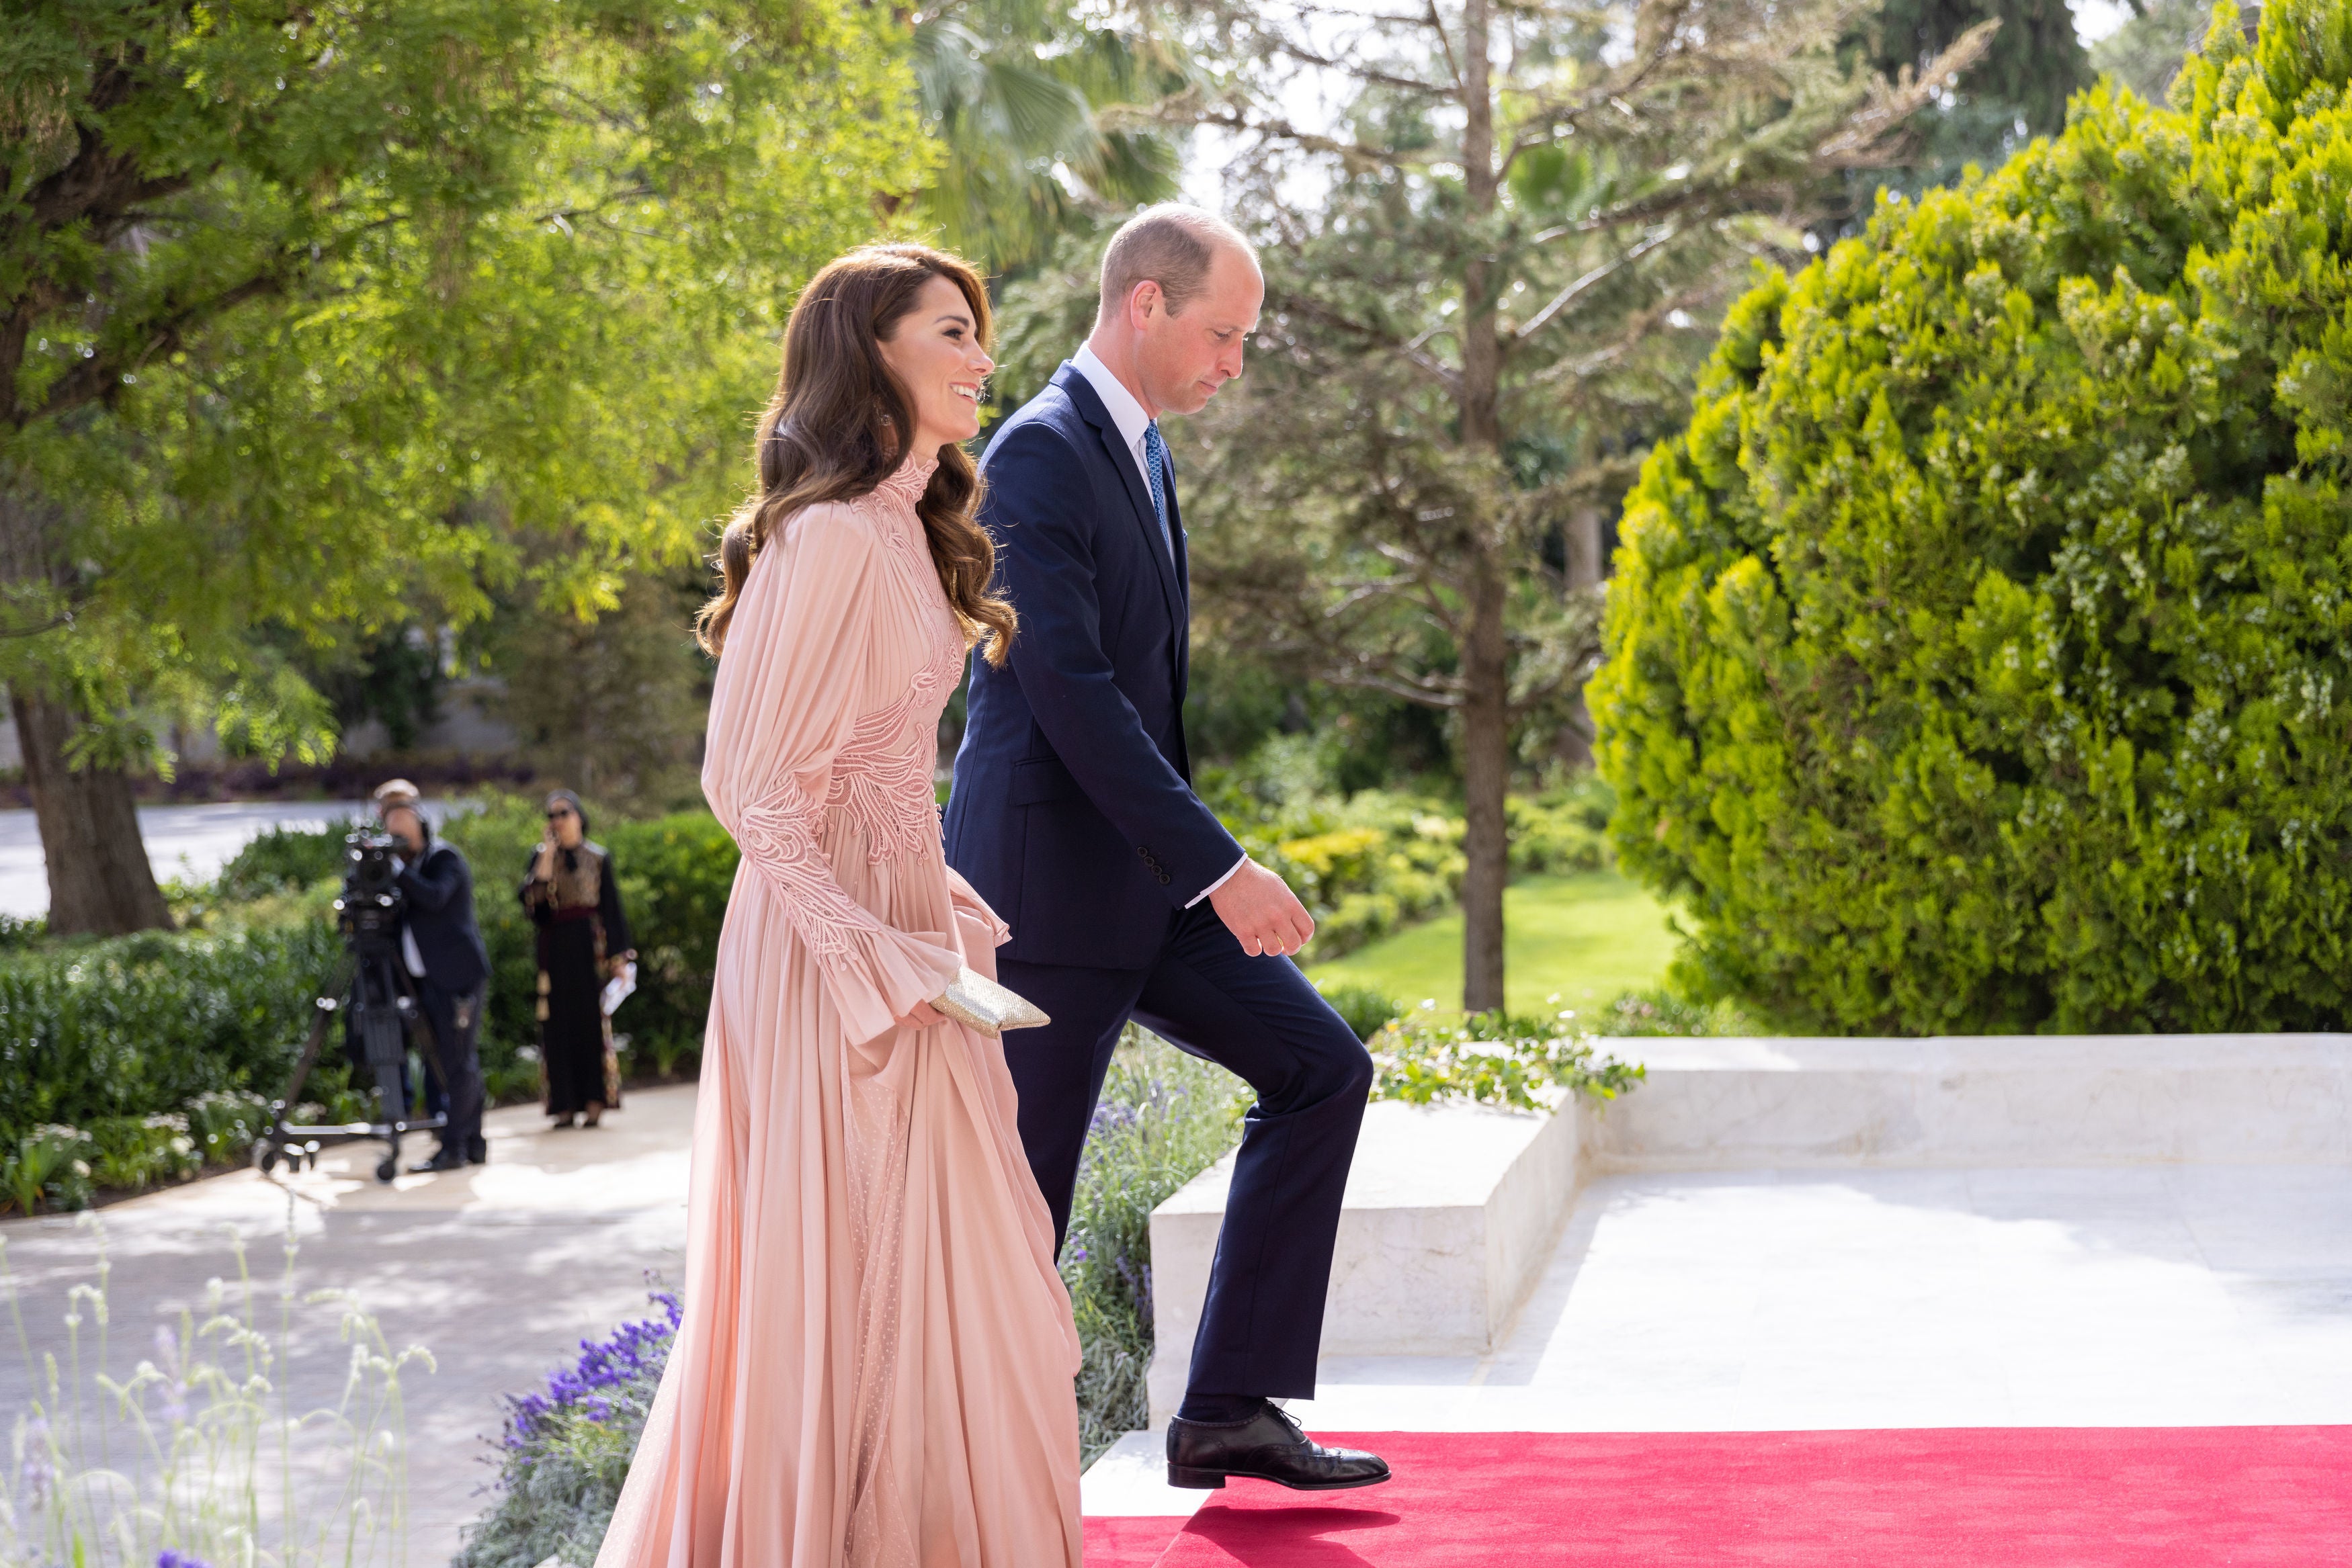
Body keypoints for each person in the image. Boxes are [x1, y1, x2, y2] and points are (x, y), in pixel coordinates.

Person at [594, 245, 1083, 1567]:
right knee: (861, 1280)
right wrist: (876, 950)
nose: (981, 358)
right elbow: (745, 781)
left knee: (965, 1277)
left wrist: (931, 896)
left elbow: (867, 768)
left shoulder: (900, 534)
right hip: (830, 964)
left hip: (897, 937)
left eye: (979, 333)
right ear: (869, 351)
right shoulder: (824, 539)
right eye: (950, 333)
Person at [944, 205, 1390, 1492]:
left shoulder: (1142, 451)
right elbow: (1074, 689)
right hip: (1041, 898)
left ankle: (1230, 1409)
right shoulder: (1035, 452)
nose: (1235, 364)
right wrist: (1223, 864)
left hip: (1146, 887)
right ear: (1146, 303)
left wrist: (1196, 868)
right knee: (1018, 1205)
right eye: (1224, 333)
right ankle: (971, 1479)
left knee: (1321, 1066)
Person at [372, 779, 490, 1172]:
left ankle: (454, 1149)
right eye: (393, 830)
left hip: (459, 979)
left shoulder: (444, 859)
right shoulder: (407, 867)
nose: (399, 836)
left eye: (406, 825)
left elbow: (435, 897)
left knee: (458, 1062)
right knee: (450, 1061)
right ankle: (472, 1143)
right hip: (429, 982)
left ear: (422, 825)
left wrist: (395, 868)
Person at [521, 789, 635, 1128]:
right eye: (551, 815)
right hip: (555, 950)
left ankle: (595, 1100)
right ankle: (564, 1104)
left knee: (590, 1022)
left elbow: (612, 909)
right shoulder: (541, 857)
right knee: (556, 1025)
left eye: (564, 812)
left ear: (579, 816)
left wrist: (620, 958)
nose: (557, 820)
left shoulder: (598, 857)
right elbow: (533, 906)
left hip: (590, 950)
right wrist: (546, 856)